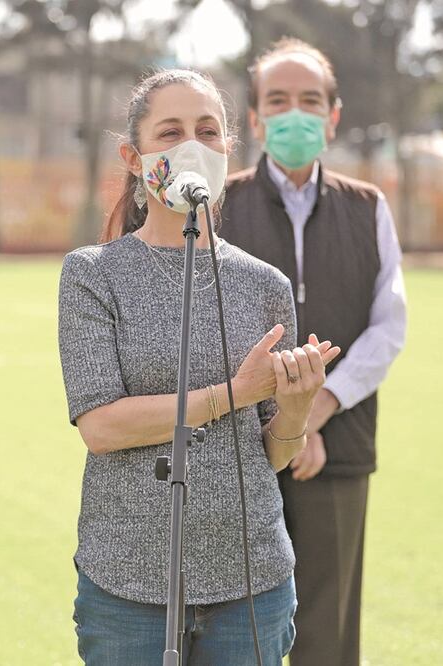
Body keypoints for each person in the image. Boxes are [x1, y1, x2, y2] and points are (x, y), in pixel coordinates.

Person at [58, 69, 345, 665]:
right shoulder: (92, 274)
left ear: (228, 149)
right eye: (170, 132)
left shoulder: (266, 284)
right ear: (133, 158)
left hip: (252, 583)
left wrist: (294, 408)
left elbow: (274, 454)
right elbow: (102, 428)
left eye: (207, 131)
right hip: (128, 583)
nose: (192, 146)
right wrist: (234, 392)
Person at [220, 38, 407, 666]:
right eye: (277, 100)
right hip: (238, 454)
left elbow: (388, 327)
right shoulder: (219, 205)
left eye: (309, 101)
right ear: (253, 119)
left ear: (332, 116)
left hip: (343, 447)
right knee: (233, 632)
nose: (293, 113)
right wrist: (283, 422)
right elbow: (207, 334)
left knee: (327, 635)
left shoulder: (368, 207)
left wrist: (319, 406)